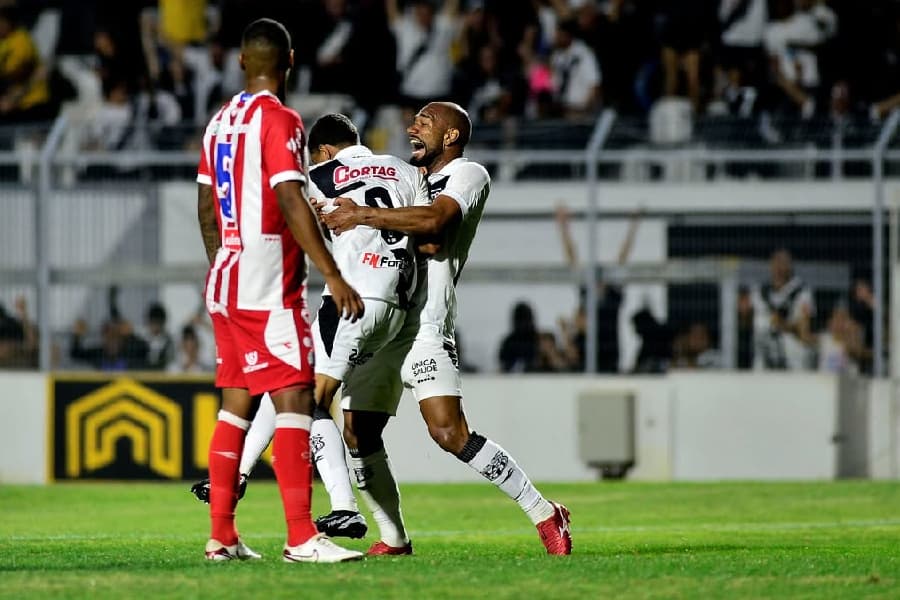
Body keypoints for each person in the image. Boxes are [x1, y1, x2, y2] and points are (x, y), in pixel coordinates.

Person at [322, 101, 572, 556]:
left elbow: (434, 225)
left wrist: (363, 215)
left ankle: (544, 511)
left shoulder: (469, 175)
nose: (411, 127)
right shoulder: (407, 179)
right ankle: (394, 539)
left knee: (449, 433)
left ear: (451, 136)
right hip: (383, 321)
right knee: (357, 431)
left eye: (424, 122)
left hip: (425, 325)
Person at [195, 18, 364, 563]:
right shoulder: (282, 119)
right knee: (295, 398)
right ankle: (301, 537)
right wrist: (333, 274)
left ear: (243, 62)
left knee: (236, 405)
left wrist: (224, 264)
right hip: (269, 286)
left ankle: (221, 537)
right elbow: (291, 198)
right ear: (290, 60)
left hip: (226, 280)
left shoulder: (219, 121)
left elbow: (205, 207)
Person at [751, 248, 815, 370]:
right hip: (764, 358)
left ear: (790, 265)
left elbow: (805, 330)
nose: (779, 267)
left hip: (792, 359)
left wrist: (783, 324)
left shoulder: (802, 292)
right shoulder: (759, 291)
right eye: (776, 261)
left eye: (784, 262)